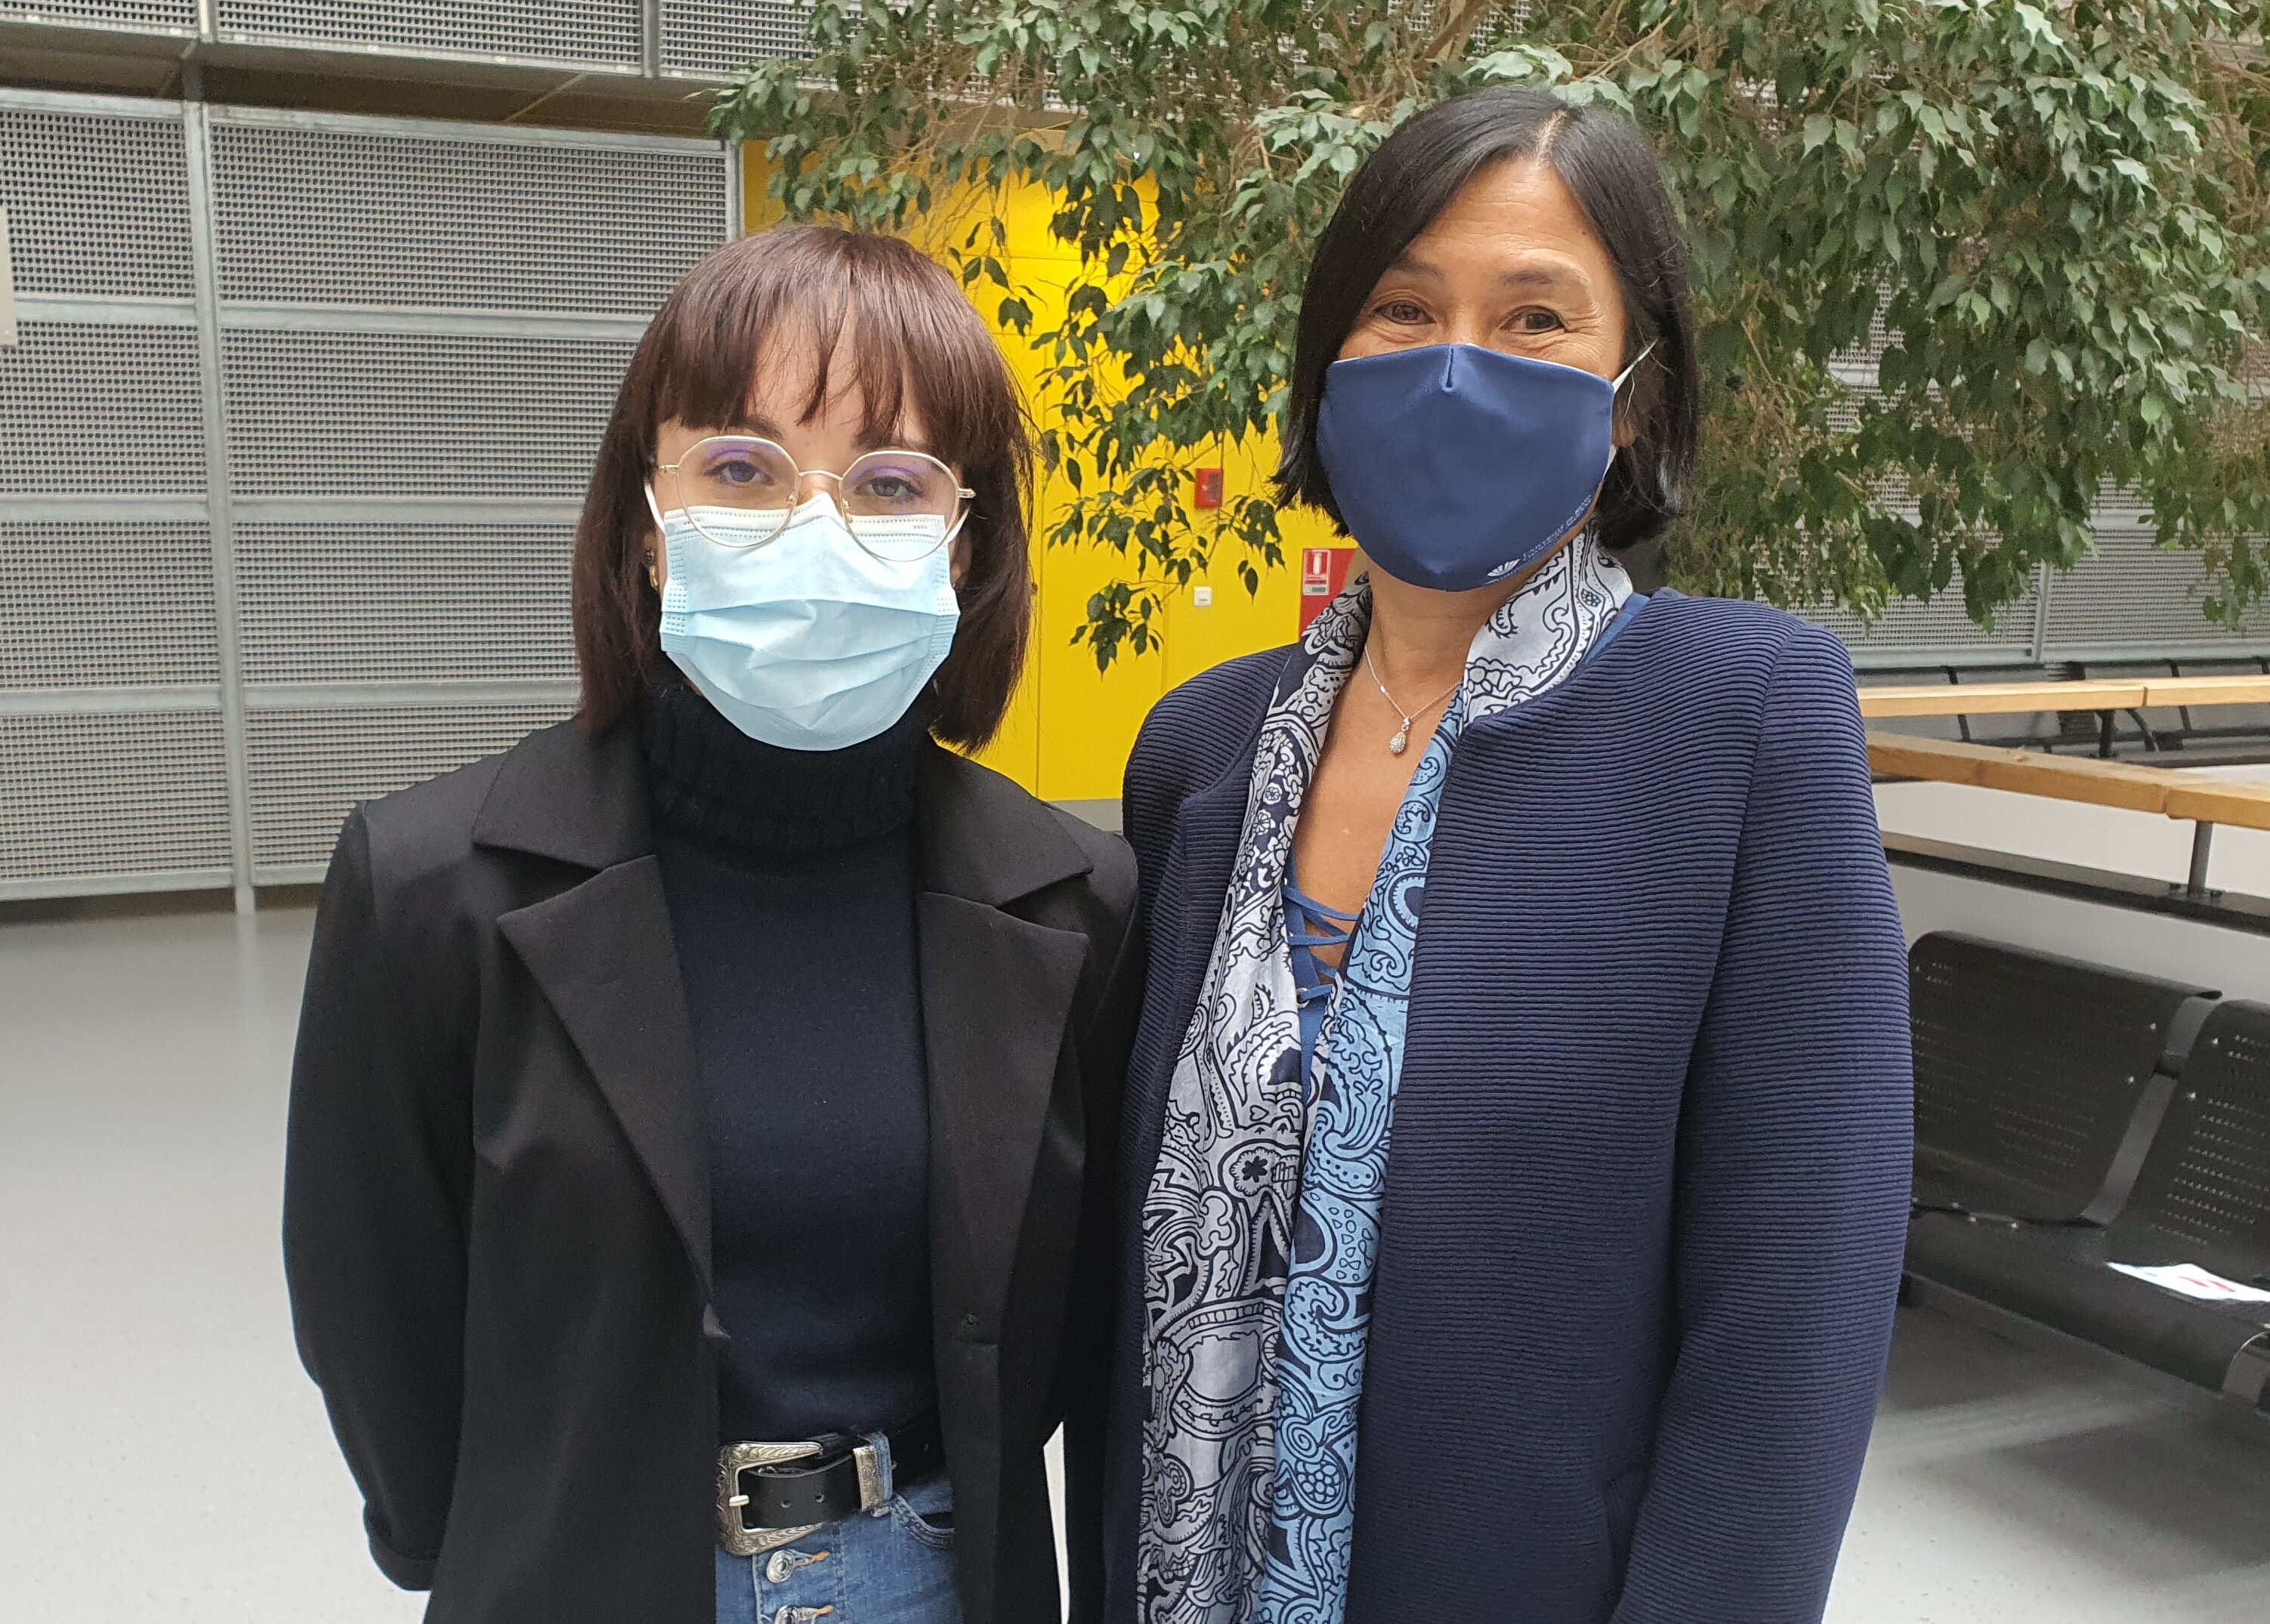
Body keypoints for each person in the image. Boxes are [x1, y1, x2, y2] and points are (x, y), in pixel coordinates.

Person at [1107, 86, 1912, 1624]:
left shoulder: (1745, 718)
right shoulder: (1201, 748)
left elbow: (1792, 1309)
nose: (1454, 363)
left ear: (1634, 395)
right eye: (1402, 308)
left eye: (1535, 318)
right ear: (1328, 362)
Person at [284, 226, 1138, 1624]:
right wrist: (502, 1532)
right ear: (645, 522)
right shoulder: (428, 886)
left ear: (965, 544)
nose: (817, 525)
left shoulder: (1074, 902)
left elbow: (1071, 1321)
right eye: (742, 469)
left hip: (931, 1576)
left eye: (890, 481)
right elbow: (372, 1305)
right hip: (573, 1574)